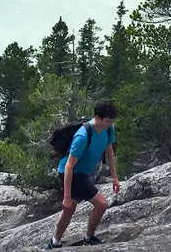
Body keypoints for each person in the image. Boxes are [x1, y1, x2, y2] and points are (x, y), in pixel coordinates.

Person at [45, 100, 121, 249]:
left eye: (112, 121)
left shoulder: (107, 129)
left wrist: (115, 177)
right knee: (102, 204)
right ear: (98, 118)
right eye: (107, 121)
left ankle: (54, 243)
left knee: (70, 209)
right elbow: (68, 166)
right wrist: (66, 197)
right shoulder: (83, 136)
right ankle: (89, 237)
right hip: (72, 173)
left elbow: (109, 152)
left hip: (82, 172)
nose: (110, 124)